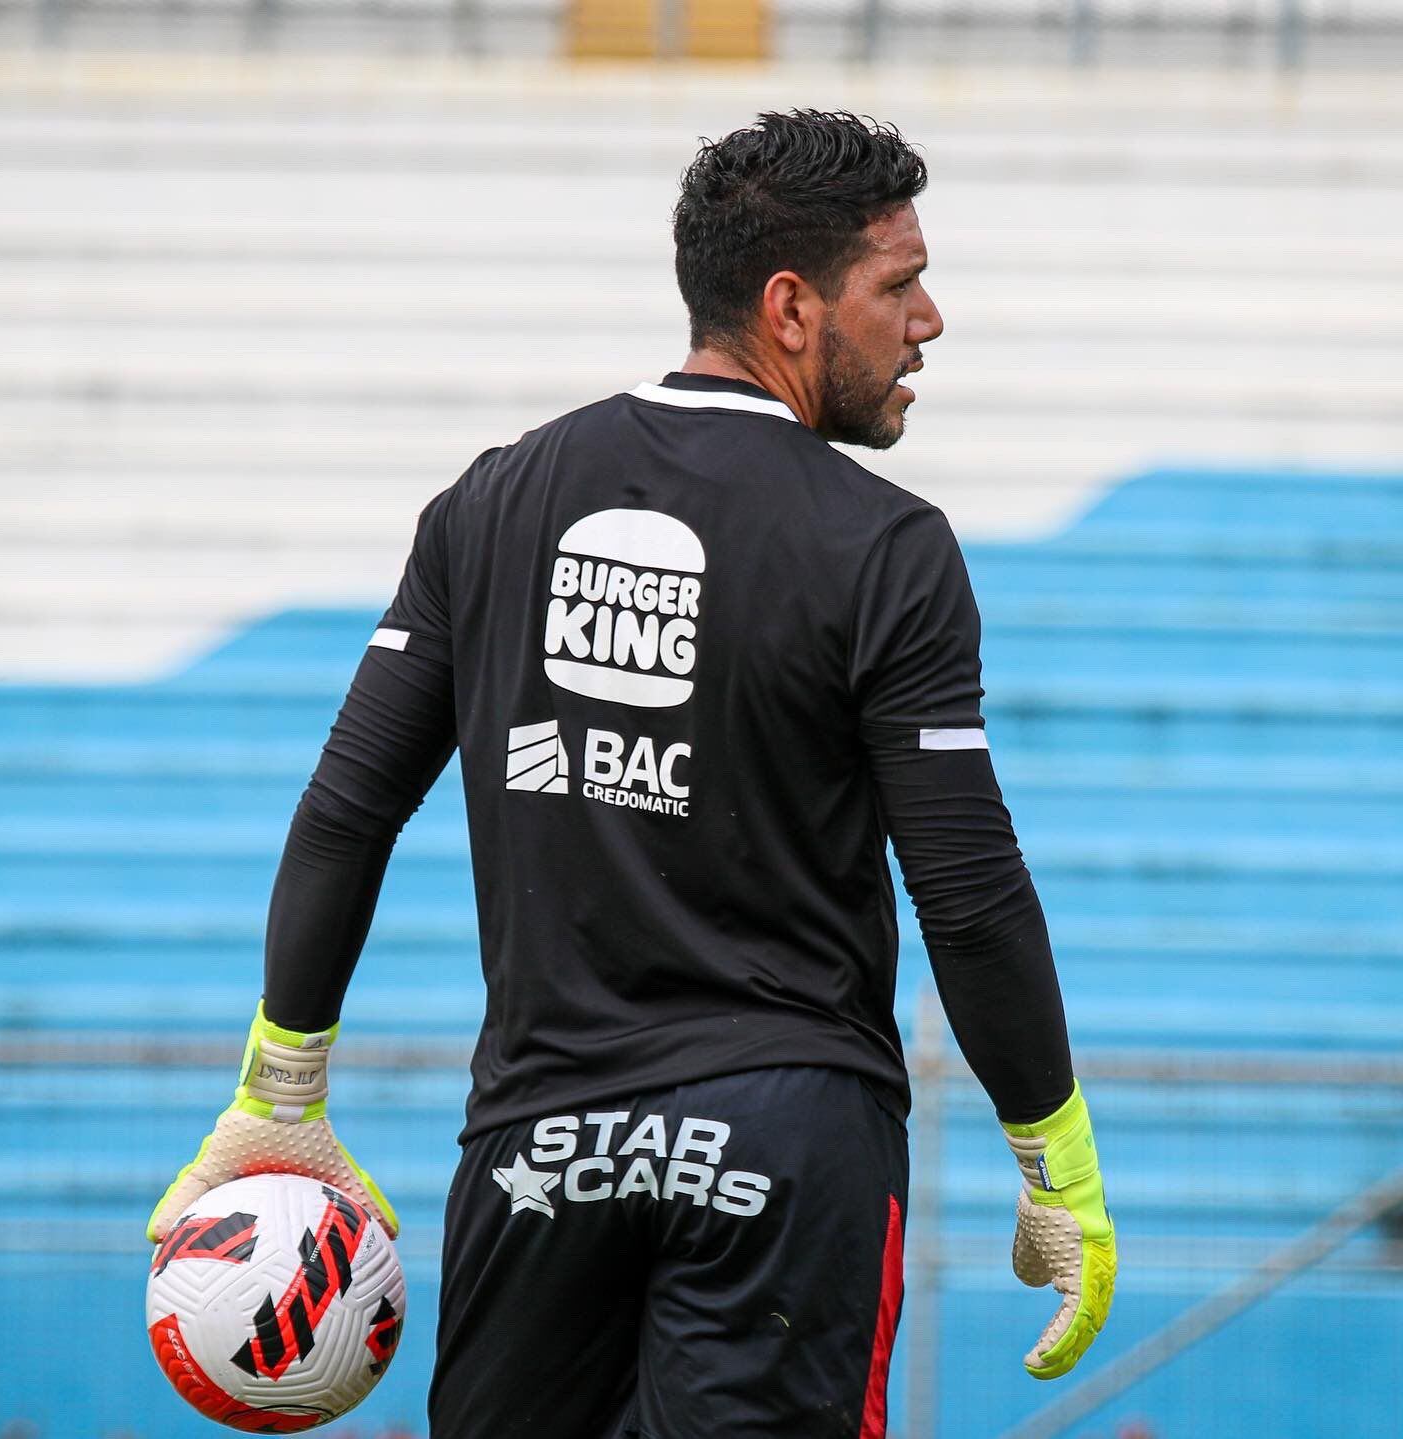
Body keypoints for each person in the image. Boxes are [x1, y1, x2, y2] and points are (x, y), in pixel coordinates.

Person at [147, 109, 1116, 1437]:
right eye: (898, 285)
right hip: (787, 1140)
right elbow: (967, 888)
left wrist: (282, 1090)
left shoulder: (490, 502)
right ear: (791, 306)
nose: (930, 319)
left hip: (541, 1143)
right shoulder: (884, 547)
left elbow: (349, 804)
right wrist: (1051, 1159)